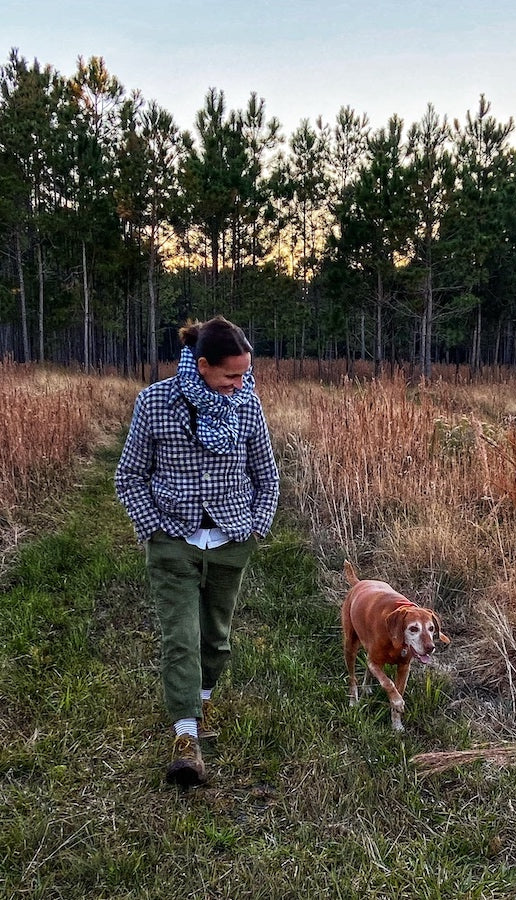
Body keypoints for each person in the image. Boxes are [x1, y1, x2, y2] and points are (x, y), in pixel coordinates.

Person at [115, 316, 279, 787]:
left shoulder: (248, 404)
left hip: (231, 542)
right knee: (180, 639)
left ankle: (201, 699)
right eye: (231, 375)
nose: (240, 383)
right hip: (173, 543)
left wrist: (256, 528)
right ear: (202, 364)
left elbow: (267, 477)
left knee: (216, 640)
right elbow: (129, 475)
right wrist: (153, 530)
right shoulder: (156, 402)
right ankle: (185, 737)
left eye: (245, 374)